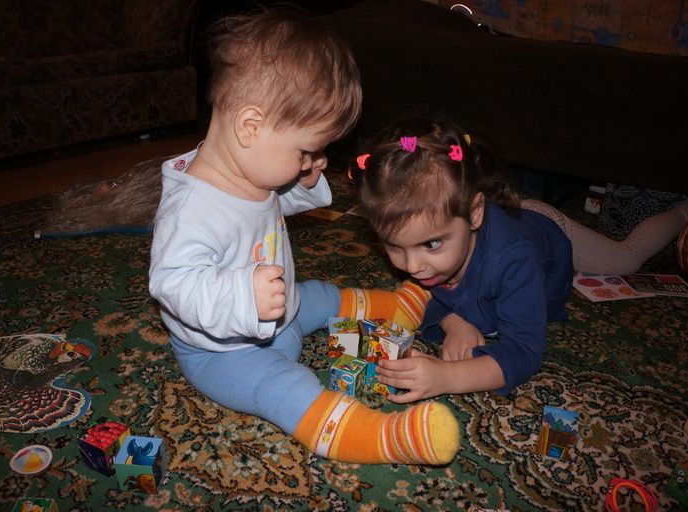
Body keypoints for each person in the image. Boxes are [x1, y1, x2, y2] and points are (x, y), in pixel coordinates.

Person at [148, 8, 459, 465]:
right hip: (224, 354)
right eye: (305, 151)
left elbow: (267, 204)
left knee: (320, 296)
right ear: (250, 127)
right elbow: (172, 284)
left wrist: (304, 181)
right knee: (285, 387)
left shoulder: (248, 167)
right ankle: (383, 437)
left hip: (283, 312)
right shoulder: (190, 213)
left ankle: (399, 306)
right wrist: (242, 297)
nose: (312, 160)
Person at [354, 116, 688, 403]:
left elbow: (524, 352)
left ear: (474, 214)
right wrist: (454, 322)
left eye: (431, 244)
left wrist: (448, 377)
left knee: (625, 259)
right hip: (496, 219)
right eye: (394, 246)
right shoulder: (429, 243)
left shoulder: (514, 259)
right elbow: (422, 296)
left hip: (546, 230)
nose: (412, 266)